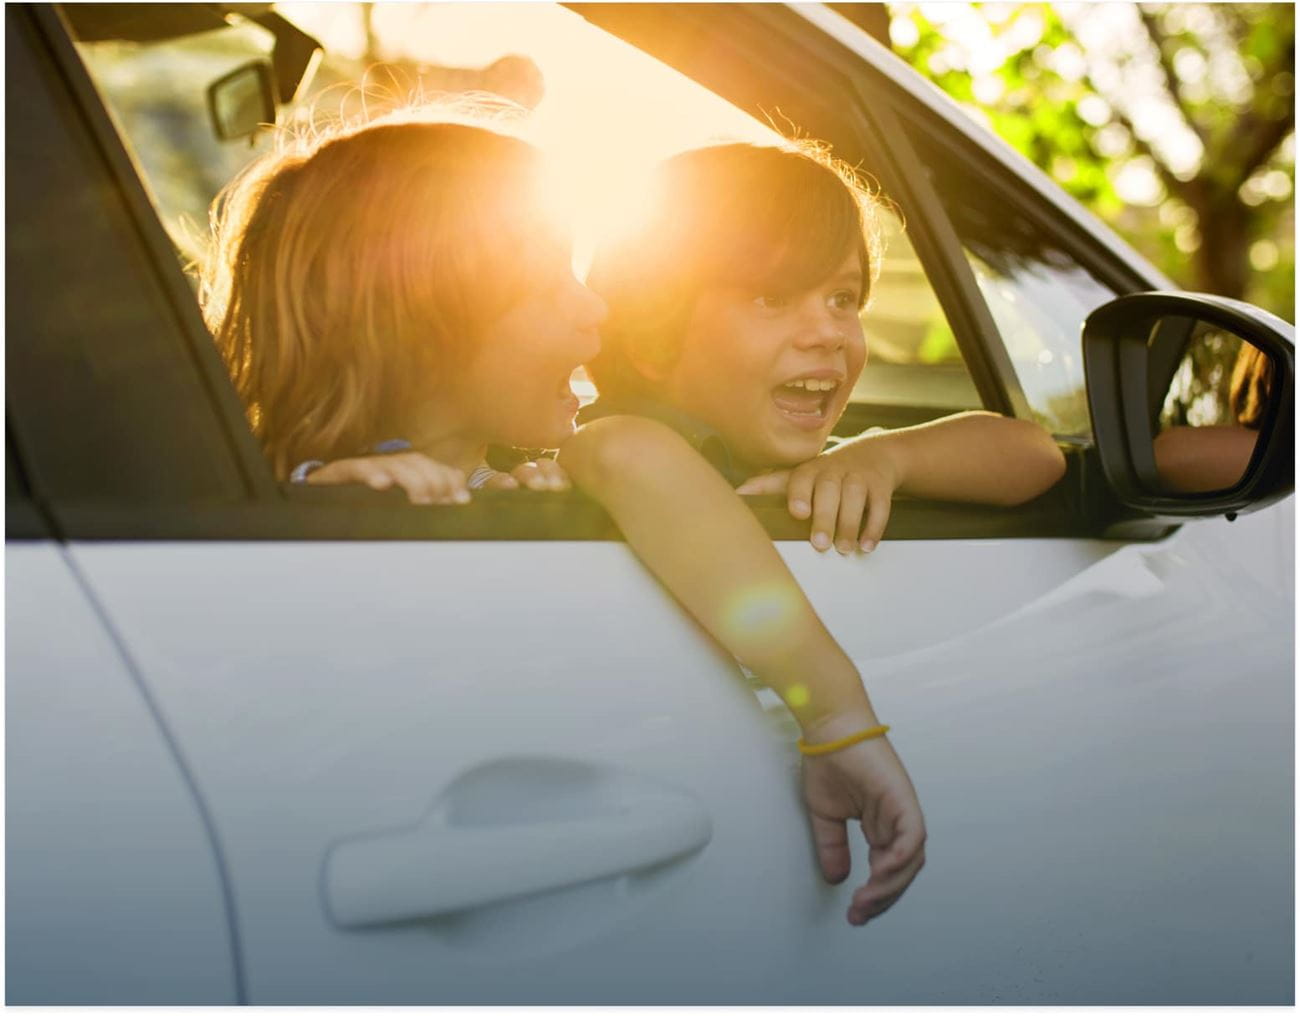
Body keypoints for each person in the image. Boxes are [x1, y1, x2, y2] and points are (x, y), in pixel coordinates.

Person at [203, 113, 928, 926]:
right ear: (425, 317)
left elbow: (635, 464)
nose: (595, 309)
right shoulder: (291, 502)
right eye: (552, 282)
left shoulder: (524, 477)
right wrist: (836, 719)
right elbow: (628, 453)